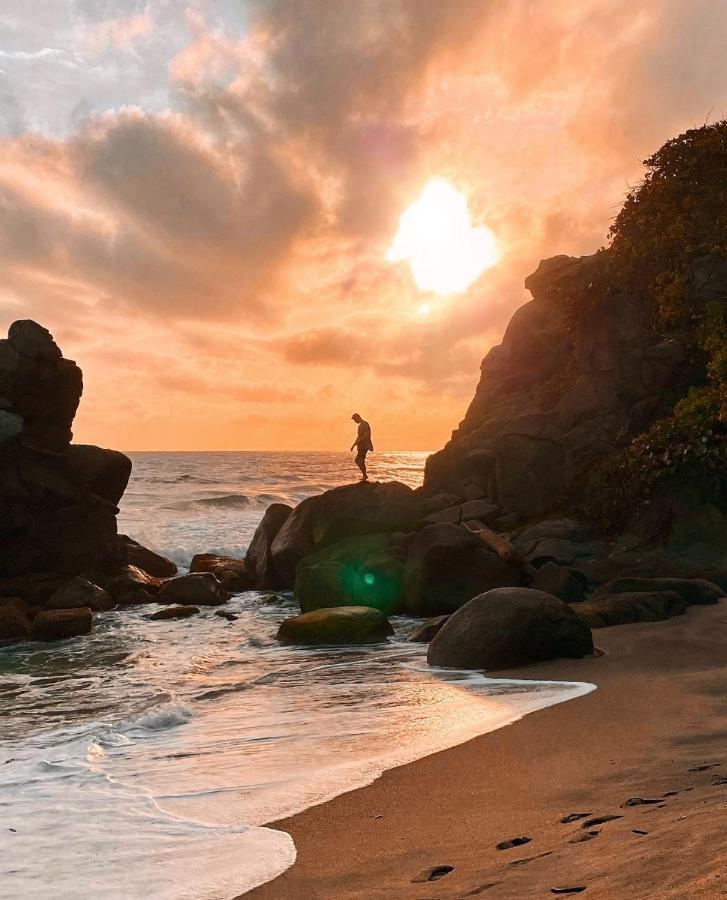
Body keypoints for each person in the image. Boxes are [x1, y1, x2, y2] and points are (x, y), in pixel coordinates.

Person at [350, 413, 373, 482]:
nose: (354, 421)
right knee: (360, 461)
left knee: (358, 460)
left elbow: (367, 435)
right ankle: (364, 475)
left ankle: (365, 475)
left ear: (358, 417)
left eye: (354, 420)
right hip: (360, 446)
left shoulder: (365, 424)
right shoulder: (360, 426)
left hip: (364, 446)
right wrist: (354, 445)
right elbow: (358, 436)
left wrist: (358, 442)